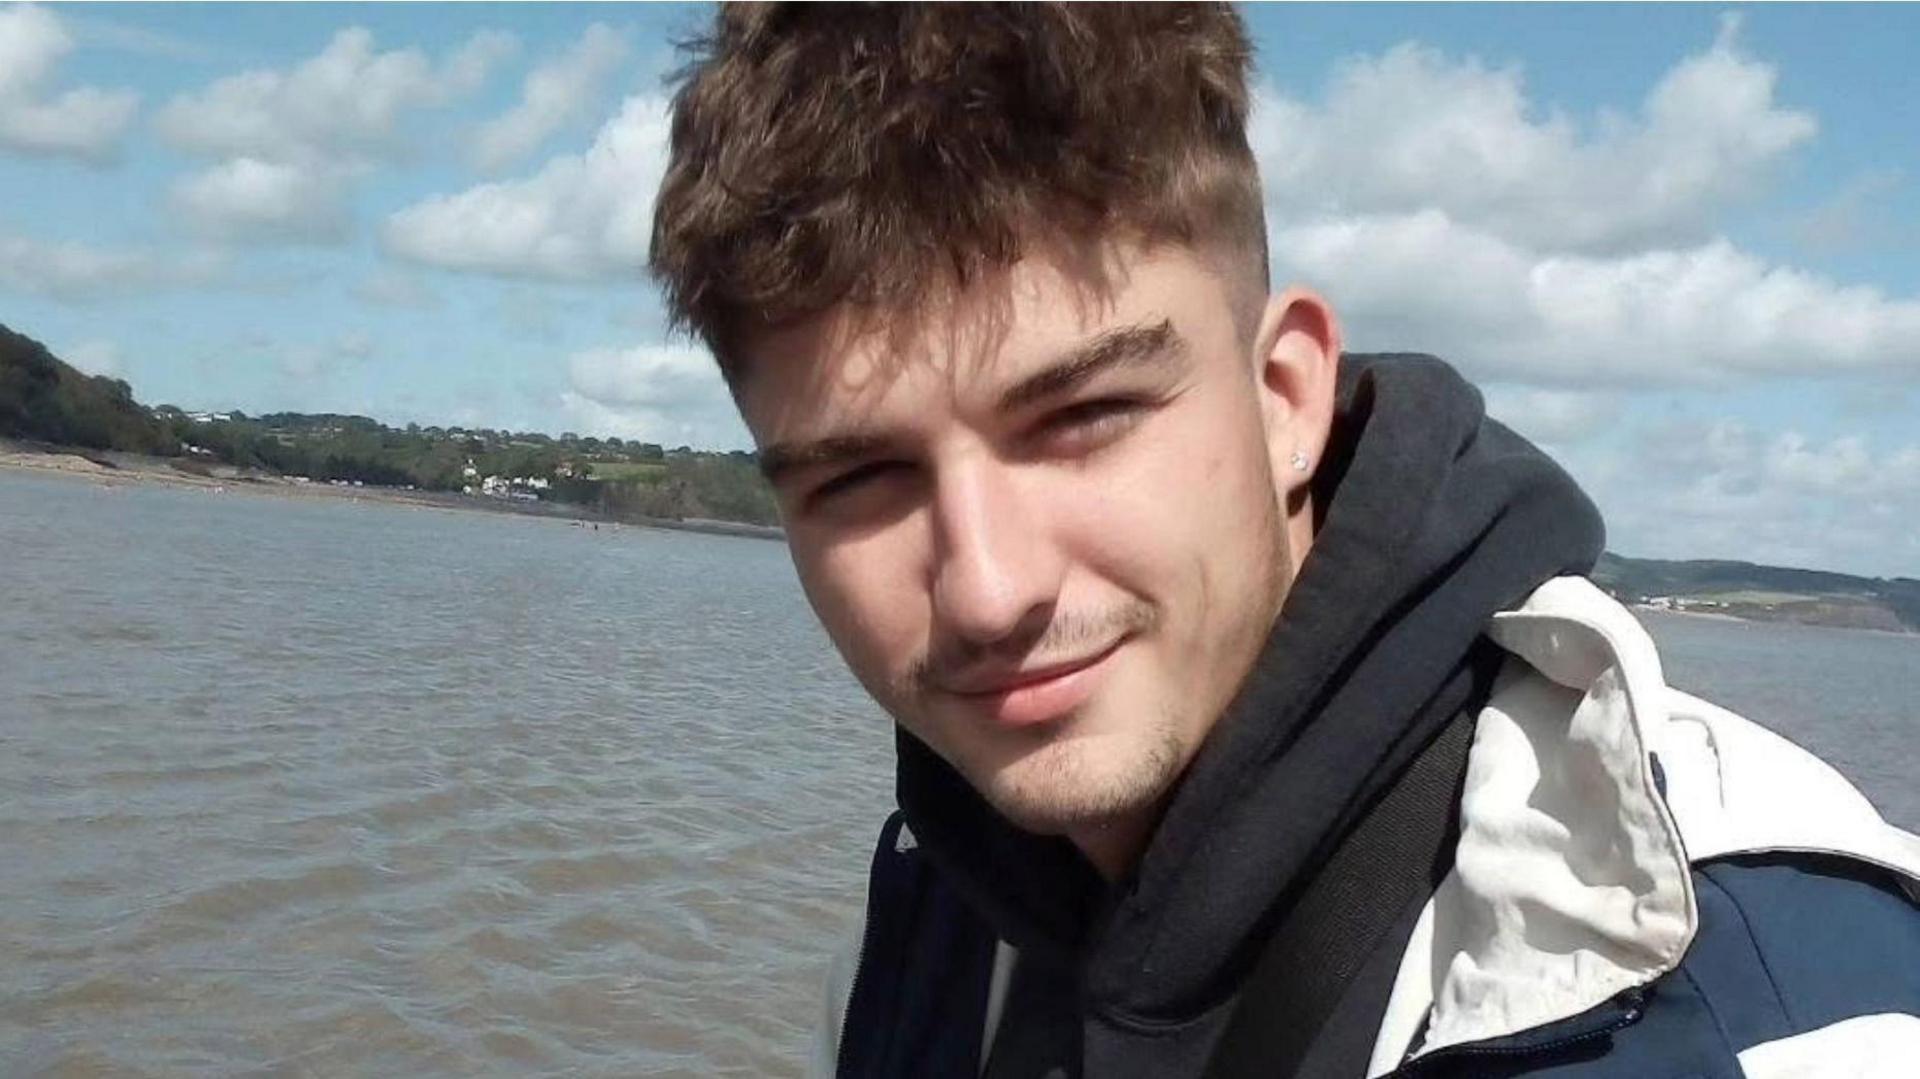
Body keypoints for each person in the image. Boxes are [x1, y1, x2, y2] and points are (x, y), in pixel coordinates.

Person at [647, 5, 1920, 1077]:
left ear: (1285, 398)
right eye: (861, 479)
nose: (986, 589)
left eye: (1084, 417)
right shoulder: (929, 920)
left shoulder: (1757, 991)